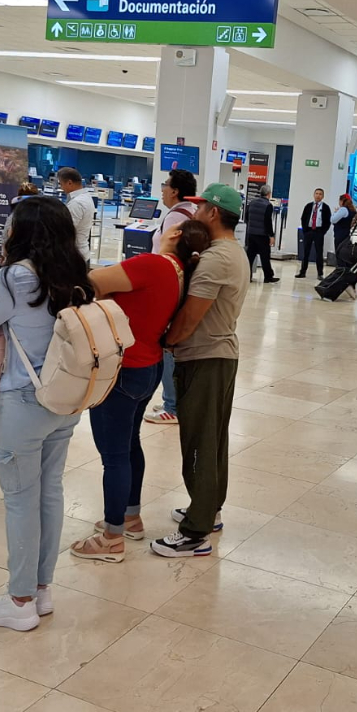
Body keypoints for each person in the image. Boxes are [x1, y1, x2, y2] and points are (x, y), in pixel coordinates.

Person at [0, 196, 93, 629]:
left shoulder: (13, 278)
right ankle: (41, 590)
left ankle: (19, 604)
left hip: (23, 400)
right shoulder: (76, 274)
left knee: (19, 500)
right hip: (65, 399)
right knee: (49, 492)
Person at [71, 218, 211, 562]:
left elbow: (92, 281)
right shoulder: (181, 274)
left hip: (121, 369)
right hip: (148, 366)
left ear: (174, 234)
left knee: (114, 455)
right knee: (129, 444)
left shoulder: (153, 264)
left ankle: (111, 538)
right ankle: (130, 516)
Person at [152, 184, 248, 558]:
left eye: (200, 206)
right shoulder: (229, 252)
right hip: (218, 355)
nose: (194, 212)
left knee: (199, 443)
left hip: (206, 357)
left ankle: (195, 533)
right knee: (212, 439)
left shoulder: (215, 260)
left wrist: (166, 342)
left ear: (213, 212)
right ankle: (208, 509)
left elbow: (190, 318)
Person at [145, 169, 198, 425]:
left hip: (169, 287)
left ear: (175, 190)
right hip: (180, 286)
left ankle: (172, 406)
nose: (163, 189)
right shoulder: (190, 212)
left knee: (167, 347)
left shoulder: (176, 215)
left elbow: (168, 256)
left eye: (165, 185)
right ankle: (172, 398)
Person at [58, 166, 95, 265]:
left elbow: (65, 231)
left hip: (73, 258)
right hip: (81, 254)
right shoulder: (85, 197)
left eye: (61, 184)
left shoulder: (77, 203)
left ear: (69, 183)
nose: (61, 188)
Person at [244, 184, 278, 283]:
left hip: (251, 234)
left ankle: (247, 276)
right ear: (269, 194)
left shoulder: (252, 203)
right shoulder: (268, 205)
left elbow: (246, 217)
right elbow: (268, 222)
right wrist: (271, 236)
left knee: (250, 256)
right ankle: (268, 277)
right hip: (262, 235)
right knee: (265, 256)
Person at [297, 188, 331, 279]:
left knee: (319, 253)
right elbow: (303, 218)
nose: (318, 195)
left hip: (319, 232)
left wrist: (323, 231)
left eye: (320, 194)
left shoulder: (326, 207)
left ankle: (320, 273)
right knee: (306, 252)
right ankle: (302, 272)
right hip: (309, 231)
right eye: (316, 193)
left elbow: (328, 221)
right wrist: (305, 230)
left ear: (323, 196)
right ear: (313, 195)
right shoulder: (308, 206)